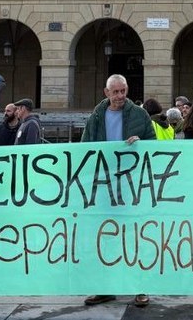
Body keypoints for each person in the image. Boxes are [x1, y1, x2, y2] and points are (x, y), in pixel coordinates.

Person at [81, 74, 155, 307]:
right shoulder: (96, 116)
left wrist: (141, 143)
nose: (121, 96)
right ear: (107, 93)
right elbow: (85, 147)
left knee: (135, 236)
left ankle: (140, 287)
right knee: (105, 238)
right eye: (116, 92)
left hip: (132, 186)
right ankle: (105, 288)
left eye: (123, 91)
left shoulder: (140, 114)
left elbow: (153, 145)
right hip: (103, 187)